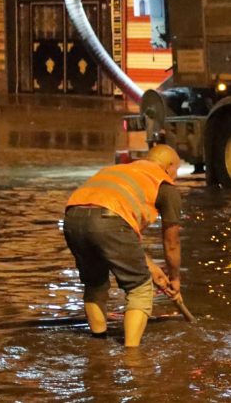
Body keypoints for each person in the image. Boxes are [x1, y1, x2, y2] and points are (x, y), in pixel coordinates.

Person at [63, 144, 183, 347]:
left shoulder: (119, 170)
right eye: (176, 171)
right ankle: (132, 354)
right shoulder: (163, 184)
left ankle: (98, 344)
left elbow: (123, 234)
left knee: (95, 284)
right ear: (169, 166)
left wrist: (151, 267)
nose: (176, 176)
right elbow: (172, 242)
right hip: (109, 221)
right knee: (140, 288)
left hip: (73, 218)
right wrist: (175, 278)